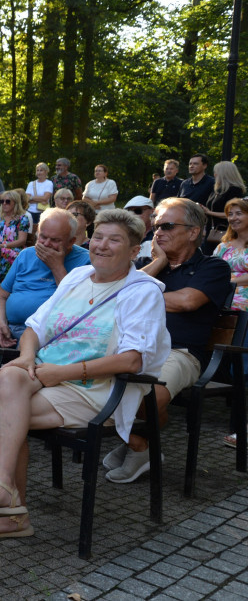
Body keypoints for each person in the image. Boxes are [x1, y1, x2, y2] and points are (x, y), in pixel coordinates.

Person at [0, 209, 170, 538]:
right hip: (48, 374)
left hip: (97, 389)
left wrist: (61, 373)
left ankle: (12, 510)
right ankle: (5, 491)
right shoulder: (77, 277)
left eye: (114, 240)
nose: (102, 245)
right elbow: (34, 328)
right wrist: (28, 357)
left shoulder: (142, 292)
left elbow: (132, 360)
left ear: (134, 251)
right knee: (11, 375)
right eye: (98, 237)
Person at [99, 197, 231, 481]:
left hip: (180, 352)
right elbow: (112, 296)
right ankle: (141, 446)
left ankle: (136, 444)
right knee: (99, 387)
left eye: (168, 226)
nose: (158, 232)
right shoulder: (147, 265)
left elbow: (187, 301)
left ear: (194, 231)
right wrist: (158, 262)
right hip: (131, 348)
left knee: (147, 398)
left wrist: (138, 297)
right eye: (156, 226)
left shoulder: (213, 267)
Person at [0, 208, 91, 350]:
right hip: (7, 324)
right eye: (43, 237)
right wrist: (1, 324)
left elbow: (75, 305)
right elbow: (0, 297)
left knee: (22, 358)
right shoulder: (26, 255)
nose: (46, 244)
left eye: (55, 240)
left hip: (45, 332)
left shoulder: (86, 261)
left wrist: (57, 267)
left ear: (71, 242)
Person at [216, 199, 248, 448]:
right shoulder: (223, 246)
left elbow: (222, 277)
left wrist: (229, 280)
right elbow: (213, 275)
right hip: (222, 310)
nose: (233, 218)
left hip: (245, 312)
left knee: (244, 370)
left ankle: (242, 428)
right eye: (230, 214)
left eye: (239, 213)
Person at [0, 189, 31, 281]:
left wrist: (4, 245)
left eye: (8, 201)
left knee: (6, 254)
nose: (4, 203)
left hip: (14, 249)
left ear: (15, 203)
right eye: (2, 201)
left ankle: (2, 283)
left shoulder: (22, 219)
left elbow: (22, 240)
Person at [202, 161, 246, 238]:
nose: (214, 175)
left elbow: (232, 214)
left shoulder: (235, 190)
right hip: (211, 230)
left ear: (225, 174)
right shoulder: (217, 189)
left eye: (217, 173)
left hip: (225, 232)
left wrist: (209, 212)